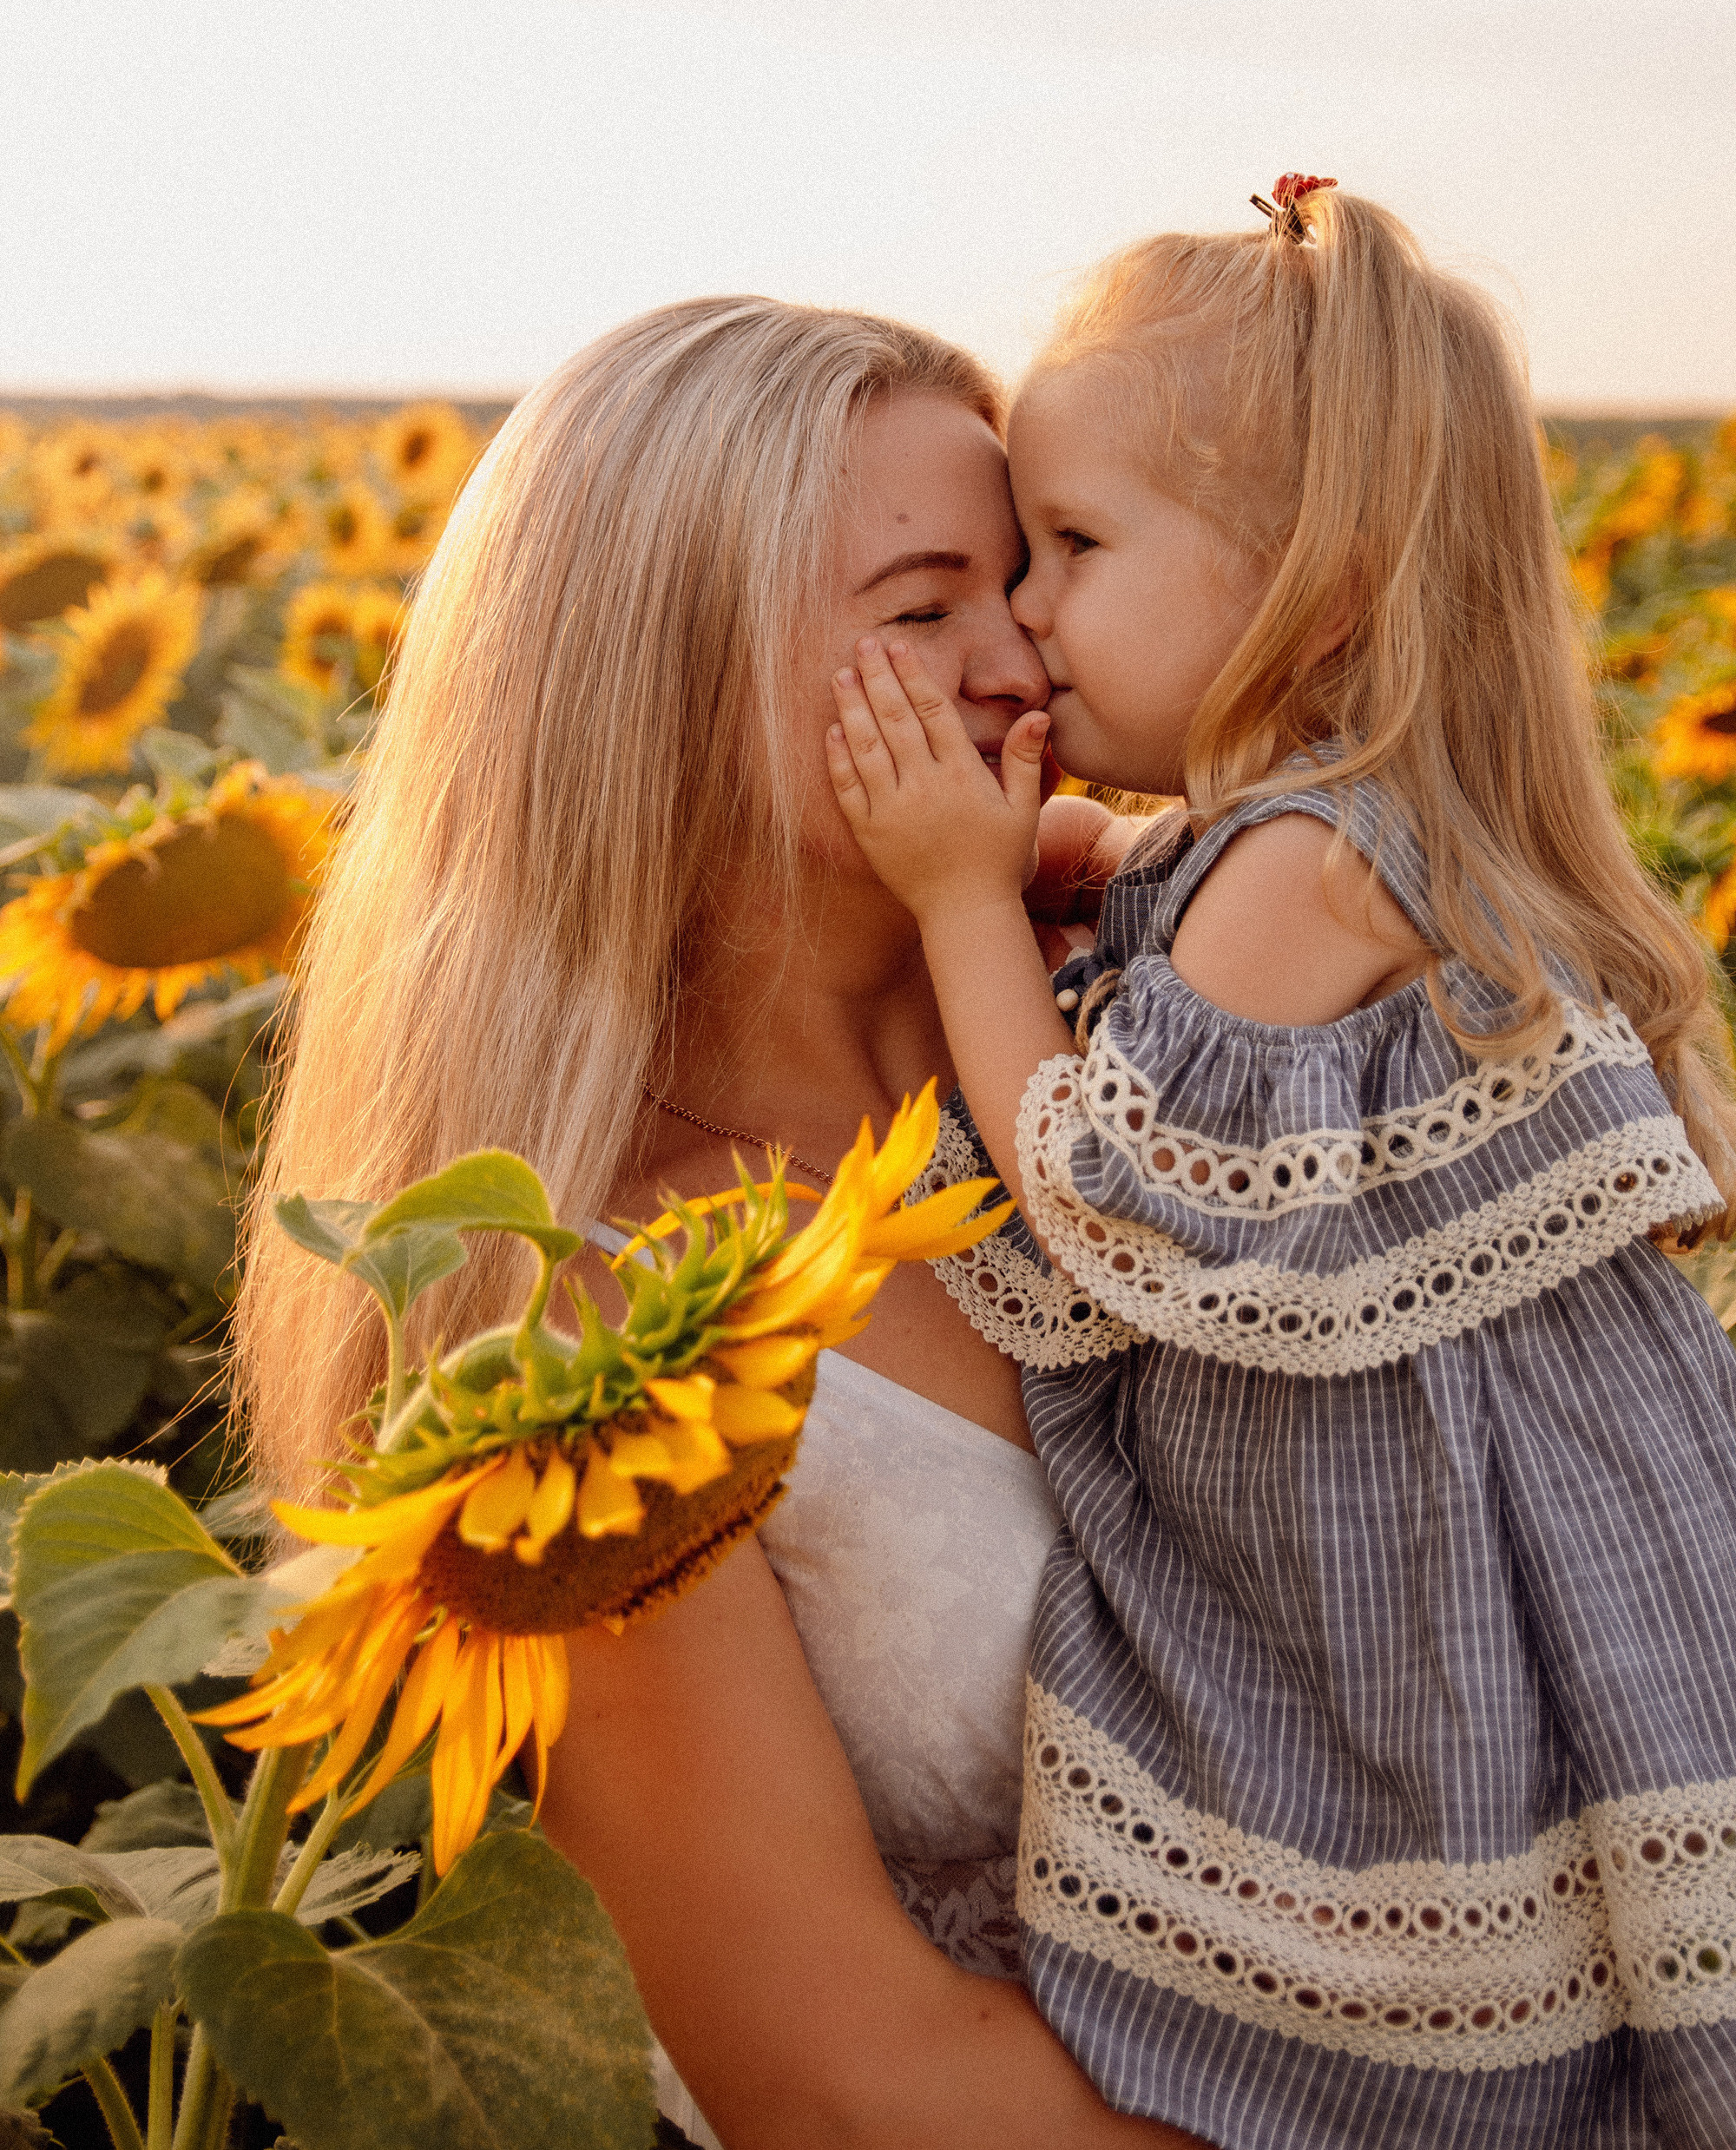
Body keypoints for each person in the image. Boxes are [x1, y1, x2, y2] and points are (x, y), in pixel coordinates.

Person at [828, 178, 1736, 2146]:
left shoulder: (1310, 866)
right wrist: (1075, 859)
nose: (1028, 614)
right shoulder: (1315, 833)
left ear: (1314, 591)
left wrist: (961, 899)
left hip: (1407, 1590)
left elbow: (1100, 1193)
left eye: (1072, 547)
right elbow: (1155, 894)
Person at [236, 296, 1200, 2148]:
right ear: (658, 688)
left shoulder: (1164, 1039)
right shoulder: (574, 1323)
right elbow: (848, 2086)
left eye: (1026, 573)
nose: (1024, 655)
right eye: (921, 610)